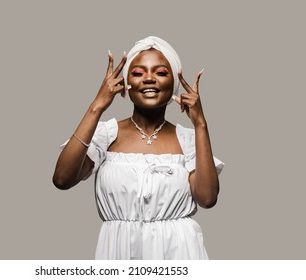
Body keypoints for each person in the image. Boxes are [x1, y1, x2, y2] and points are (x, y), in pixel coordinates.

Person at [53, 36, 224, 260]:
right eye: (138, 73)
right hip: (119, 253)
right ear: (125, 85)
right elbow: (62, 179)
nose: (150, 79)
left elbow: (207, 198)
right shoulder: (106, 135)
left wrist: (200, 124)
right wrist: (96, 106)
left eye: (161, 72)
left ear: (173, 83)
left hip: (180, 254)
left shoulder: (188, 139)